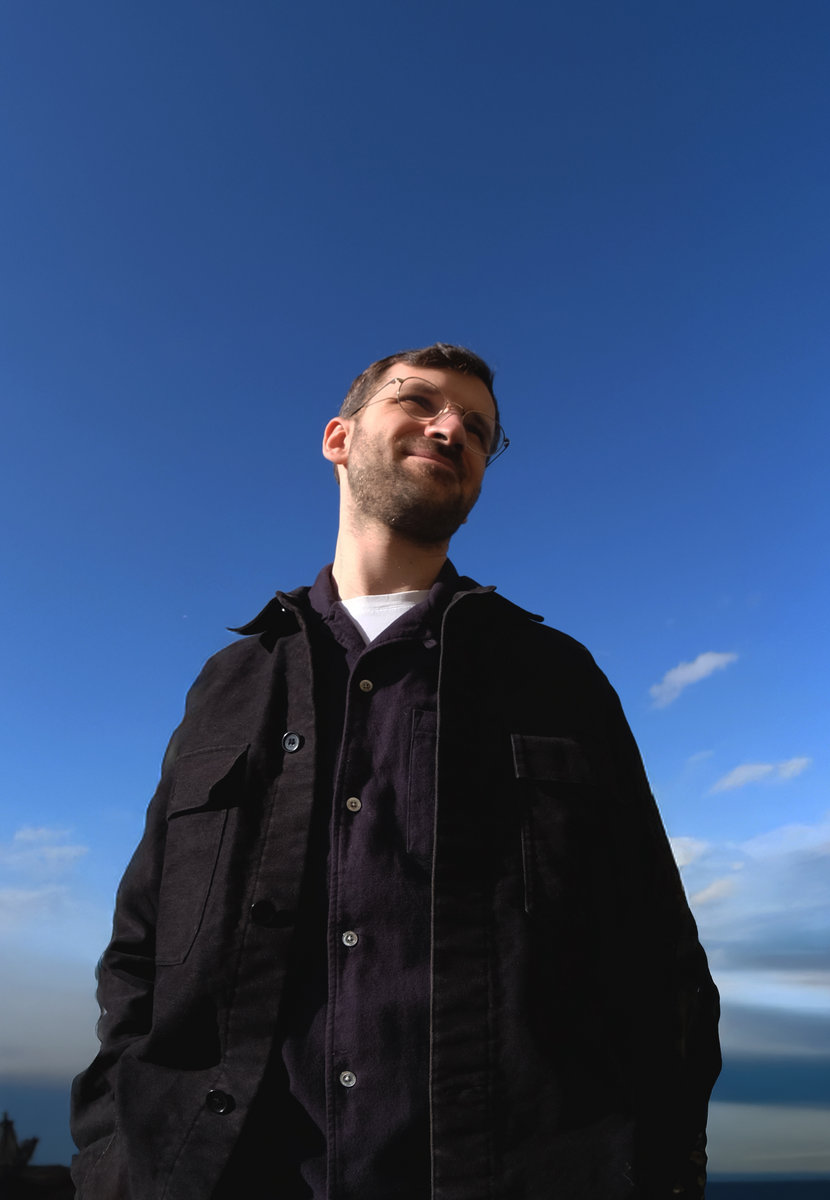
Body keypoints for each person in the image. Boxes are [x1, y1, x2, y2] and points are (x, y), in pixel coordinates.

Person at [70, 343, 721, 1200]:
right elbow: (139, 952)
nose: (453, 429)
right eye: (418, 401)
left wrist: (665, 1171)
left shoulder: (557, 677)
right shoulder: (227, 686)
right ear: (338, 438)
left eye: (479, 429)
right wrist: (112, 1159)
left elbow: (659, 956)